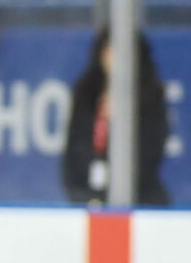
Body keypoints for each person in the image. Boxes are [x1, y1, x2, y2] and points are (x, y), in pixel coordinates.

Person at [62, 29, 173, 206]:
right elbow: (74, 148)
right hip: (88, 195)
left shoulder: (150, 95)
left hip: (140, 198)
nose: (114, 57)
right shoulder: (86, 93)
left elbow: (151, 151)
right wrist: (81, 192)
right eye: (109, 49)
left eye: (123, 51)